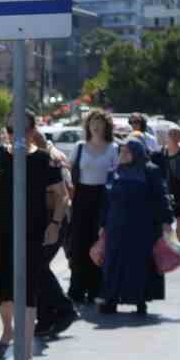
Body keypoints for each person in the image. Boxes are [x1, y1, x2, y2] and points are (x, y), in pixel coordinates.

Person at [0, 110, 67, 359]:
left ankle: (24, 352)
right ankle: (7, 332)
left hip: (32, 230)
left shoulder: (43, 160)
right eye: (11, 129)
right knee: (3, 287)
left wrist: (55, 224)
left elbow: (62, 195)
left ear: (32, 131)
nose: (15, 135)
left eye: (21, 130)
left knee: (28, 290)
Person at [97, 139, 174, 316]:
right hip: (116, 225)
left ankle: (140, 301)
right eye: (121, 151)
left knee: (139, 264)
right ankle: (111, 300)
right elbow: (106, 201)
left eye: (126, 152)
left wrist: (166, 221)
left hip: (141, 227)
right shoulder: (115, 172)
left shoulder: (150, 171)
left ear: (136, 153)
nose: (122, 155)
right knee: (113, 263)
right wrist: (102, 224)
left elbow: (161, 197)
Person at [66, 110, 117, 303]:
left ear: (106, 126)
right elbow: (70, 174)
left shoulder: (113, 148)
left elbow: (116, 175)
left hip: (103, 198)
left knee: (99, 242)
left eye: (99, 122)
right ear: (87, 126)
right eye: (92, 122)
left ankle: (97, 288)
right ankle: (77, 289)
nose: (96, 125)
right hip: (81, 198)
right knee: (79, 243)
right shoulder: (79, 147)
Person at [36, 125, 78, 338]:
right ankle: (45, 318)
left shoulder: (50, 158)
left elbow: (65, 194)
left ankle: (63, 310)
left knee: (37, 267)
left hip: (54, 218)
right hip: (52, 218)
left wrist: (55, 222)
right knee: (37, 268)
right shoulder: (54, 155)